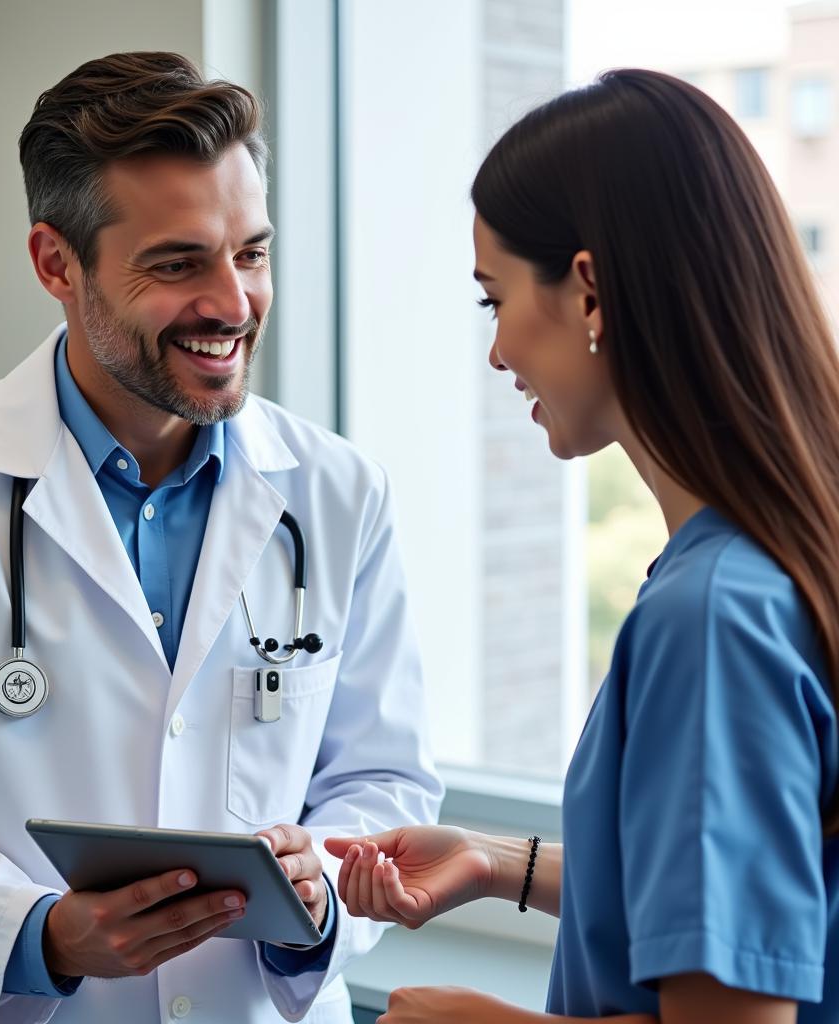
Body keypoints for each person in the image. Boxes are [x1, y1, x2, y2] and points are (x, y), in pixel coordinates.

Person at [0, 52, 443, 1024]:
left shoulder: (336, 493)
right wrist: (40, 933)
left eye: (253, 252)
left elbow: (384, 780)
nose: (232, 303)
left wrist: (315, 886)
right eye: (178, 262)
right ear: (54, 263)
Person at [325, 68, 839, 1023]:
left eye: (495, 301)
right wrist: (495, 863)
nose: (496, 352)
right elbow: (748, 889)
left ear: (590, 289)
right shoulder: (775, 561)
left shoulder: (712, 615)